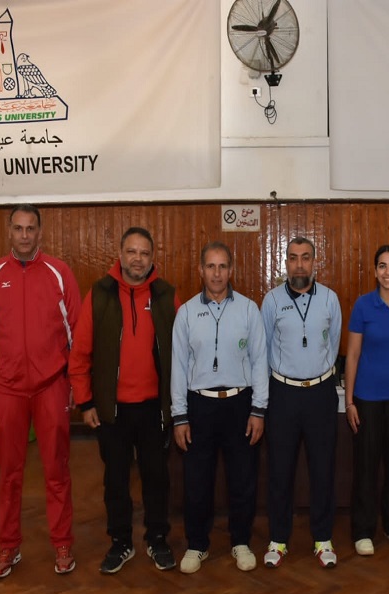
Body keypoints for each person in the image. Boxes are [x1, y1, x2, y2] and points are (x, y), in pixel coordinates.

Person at [0, 204, 81, 578]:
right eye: (18, 228)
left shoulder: (59, 273)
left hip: (51, 388)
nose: (24, 235)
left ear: (40, 232)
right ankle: (8, 547)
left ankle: (62, 543)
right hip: (5, 392)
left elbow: (77, 335)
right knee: (8, 475)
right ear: (9, 231)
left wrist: (72, 384)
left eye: (30, 228)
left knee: (57, 471)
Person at [69, 227, 180, 575]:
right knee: (115, 480)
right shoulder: (100, 295)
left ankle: (157, 538)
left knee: (156, 478)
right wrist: (86, 404)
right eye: (131, 251)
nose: (137, 259)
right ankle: (121, 542)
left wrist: (176, 407)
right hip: (111, 411)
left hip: (153, 409)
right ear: (120, 254)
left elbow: (183, 354)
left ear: (152, 258)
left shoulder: (166, 296)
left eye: (144, 253)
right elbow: (80, 354)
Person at [171, 242, 268, 574]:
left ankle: (240, 542)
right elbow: (178, 368)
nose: (217, 273)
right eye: (210, 266)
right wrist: (179, 415)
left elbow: (260, 362)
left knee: (243, 478)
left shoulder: (248, 309)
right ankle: (197, 545)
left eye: (223, 266)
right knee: (197, 480)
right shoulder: (185, 312)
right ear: (201, 270)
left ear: (231, 270)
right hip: (199, 406)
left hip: (240, 405)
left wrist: (258, 410)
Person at [262, 236, 342, 568]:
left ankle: (323, 539)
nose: (299, 264)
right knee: (280, 470)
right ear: (286, 263)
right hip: (283, 394)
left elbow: (334, 343)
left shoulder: (330, 300)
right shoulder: (271, 300)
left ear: (314, 262)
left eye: (305, 258)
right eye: (293, 258)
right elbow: (263, 349)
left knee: (323, 469)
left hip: (321, 394)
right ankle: (278, 540)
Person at [344, 244, 389, 556]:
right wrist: (349, 402)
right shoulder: (363, 306)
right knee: (367, 466)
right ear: (375, 272)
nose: (388, 272)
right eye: (382, 266)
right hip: (368, 398)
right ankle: (362, 529)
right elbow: (353, 355)